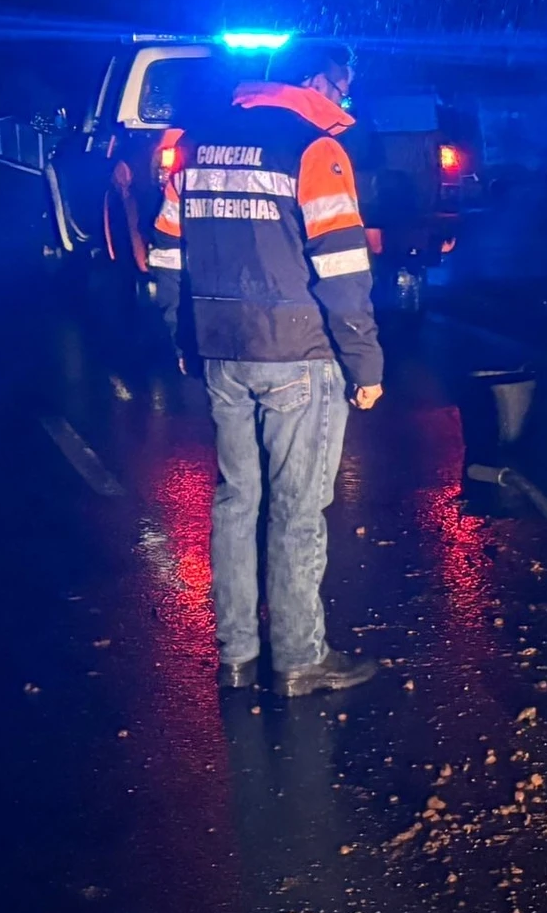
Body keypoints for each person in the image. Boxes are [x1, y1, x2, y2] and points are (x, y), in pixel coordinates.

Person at [148, 39, 381, 698]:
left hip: (221, 350)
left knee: (235, 499)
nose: (344, 99)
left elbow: (166, 256)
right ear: (312, 79)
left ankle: (238, 655)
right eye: (341, 85)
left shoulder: (196, 147)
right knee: (297, 510)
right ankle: (302, 657)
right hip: (298, 355)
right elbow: (340, 270)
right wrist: (365, 362)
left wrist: (184, 335)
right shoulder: (313, 149)